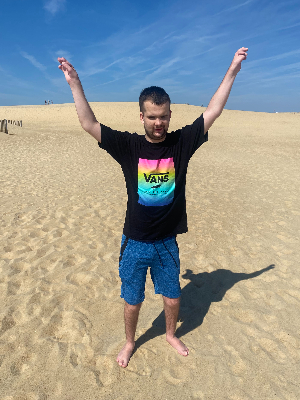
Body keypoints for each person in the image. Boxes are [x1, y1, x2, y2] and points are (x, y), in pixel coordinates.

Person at [58, 47, 248, 368]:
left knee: (172, 297)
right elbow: (89, 124)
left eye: (163, 116)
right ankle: (130, 341)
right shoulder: (129, 145)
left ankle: (171, 334)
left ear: (170, 116)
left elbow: (213, 110)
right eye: (152, 116)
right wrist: (75, 82)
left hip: (166, 243)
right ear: (142, 116)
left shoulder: (182, 143)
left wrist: (233, 69)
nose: (158, 123)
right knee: (132, 302)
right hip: (134, 241)